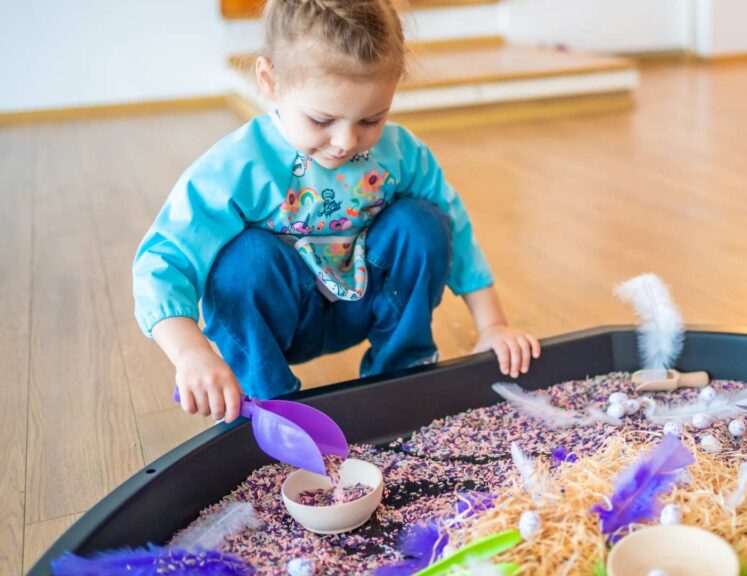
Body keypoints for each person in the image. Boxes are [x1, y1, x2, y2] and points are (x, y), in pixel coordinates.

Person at [132, 0, 540, 423]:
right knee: (241, 262)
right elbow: (163, 260)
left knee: (423, 224)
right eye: (322, 120)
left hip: (364, 301)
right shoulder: (237, 166)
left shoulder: (401, 153)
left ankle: (400, 377)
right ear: (270, 82)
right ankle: (268, 407)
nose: (346, 142)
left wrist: (492, 324)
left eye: (371, 119)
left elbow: (453, 225)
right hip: (286, 320)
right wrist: (190, 352)